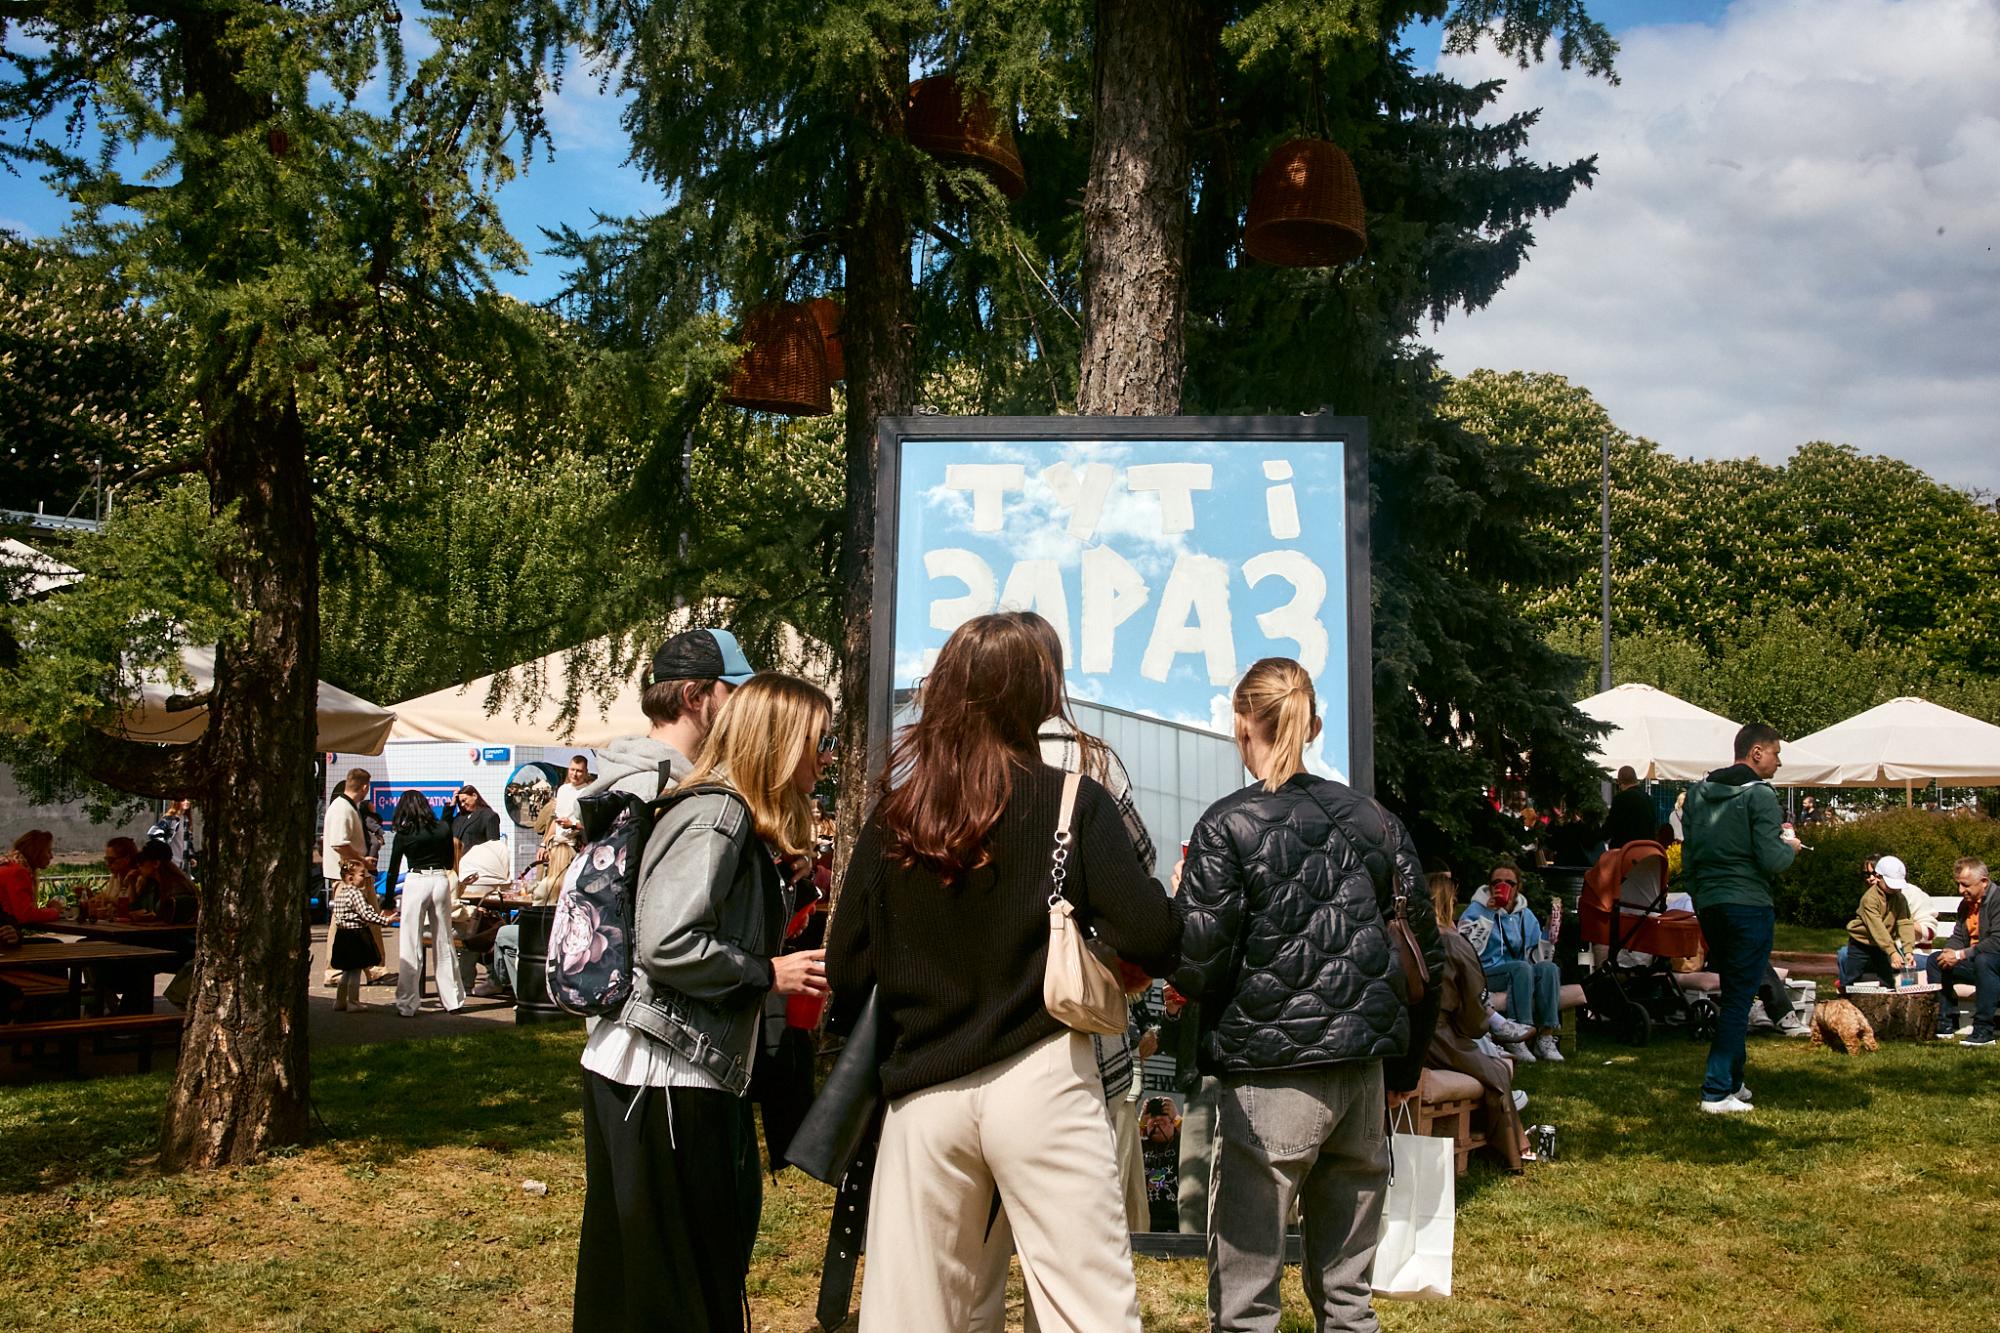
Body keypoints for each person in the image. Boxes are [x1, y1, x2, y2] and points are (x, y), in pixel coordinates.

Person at [825, 614, 1180, 1333]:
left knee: (920, 1317)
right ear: (1041, 695)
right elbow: (1153, 934)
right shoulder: (1073, 802)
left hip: (923, 1091)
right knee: (1088, 1314)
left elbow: (846, 965)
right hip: (1042, 1074)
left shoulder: (897, 815)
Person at [1173, 656, 1443, 1333]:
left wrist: (1182, 904)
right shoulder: (1376, 820)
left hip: (1268, 1080)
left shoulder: (1226, 824)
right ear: (1313, 725)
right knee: (1349, 1300)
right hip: (1362, 1073)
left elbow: (1196, 968)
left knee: (1246, 1304)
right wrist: (1403, 1072)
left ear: (1242, 724)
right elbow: (1424, 955)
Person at [572, 672, 833, 1333]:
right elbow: (669, 942)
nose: (827, 758)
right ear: (779, 742)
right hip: (665, 1074)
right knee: (674, 1289)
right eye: (819, 741)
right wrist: (767, 973)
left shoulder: (723, 812)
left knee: (642, 1283)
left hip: (658, 1068)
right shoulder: (719, 813)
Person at [970, 610, 1162, 1331]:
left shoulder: (952, 766)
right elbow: (1137, 886)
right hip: (1068, 1030)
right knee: (1071, 1262)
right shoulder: (1093, 764)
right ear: (1051, 679)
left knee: (968, 1268)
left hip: (959, 1035)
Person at [482, 628, 757, 1000]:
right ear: (694, 696)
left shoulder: (627, 778)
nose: (742, 710)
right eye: (733, 693)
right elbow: (665, 935)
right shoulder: (658, 791)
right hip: (652, 1014)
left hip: (628, 1008)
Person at [1682, 722, 1801, 1115]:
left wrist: (1701, 897)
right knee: (1738, 1000)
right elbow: (1771, 859)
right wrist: (1791, 849)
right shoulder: (1760, 795)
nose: (1779, 762)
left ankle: (1734, 1082)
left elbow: (1690, 856)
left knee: (1734, 991)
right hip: (1748, 905)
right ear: (1756, 752)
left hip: (1711, 904)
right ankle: (1716, 1091)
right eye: (1776, 753)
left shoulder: (1697, 793)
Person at [1428, 867, 1527, 1172]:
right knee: (1496, 1072)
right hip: (1437, 1035)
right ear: (1448, 903)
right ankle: (1510, 1153)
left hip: (1405, 1032)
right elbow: (1474, 1005)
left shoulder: (1399, 935)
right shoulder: (1452, 941)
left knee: (1488, 1059)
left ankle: (1516, 1141)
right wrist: (1475, 1028)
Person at [1458, 862, 1565, 1063]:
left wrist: (1547, 934)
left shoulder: (1525, 915)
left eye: (1509, 883)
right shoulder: (1476, 909)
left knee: (1549, 968)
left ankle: (1546, 1036)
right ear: (1489, 886)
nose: (1502, 886)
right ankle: (1518, 1036)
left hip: (1520, 973)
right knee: (1520, 968)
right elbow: (1467, 950)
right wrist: (1488, 913)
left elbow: (1535, 958)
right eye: (1496, 882)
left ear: (1518, 887)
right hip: (1484, 974)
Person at [382, 790, 464, 1017]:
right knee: (444, 941)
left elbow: (392, 870)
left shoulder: (404, 833)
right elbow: (448, 861)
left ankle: (407, 1003)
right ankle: (453, 1000)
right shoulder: (442, 828)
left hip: (416, 880)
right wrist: (449, 810)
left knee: (411, 942)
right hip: (439, 879)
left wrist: (388, 901)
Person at [321, 770, 375, 987]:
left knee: (368, 921)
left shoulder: (347, 806)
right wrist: (363, 860)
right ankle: (334, 971)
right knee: (342, 923)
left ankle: (374, 967)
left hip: (355, 874)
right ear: (365, 787)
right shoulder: (342, 809)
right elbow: (339, 843)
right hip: (347, 876)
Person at [1936, 857, 1998, 1045]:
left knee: (1984, 960)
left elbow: (1997, 941)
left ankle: (1983, 1030)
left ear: (1984, 882)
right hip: (1976, 961)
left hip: (1994, 962)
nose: (1960, 890)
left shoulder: (1998, 901)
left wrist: (1960, 955)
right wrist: (1949, 951)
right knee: (1936, 961)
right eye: (1958, 884)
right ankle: (1944, 1024)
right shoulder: (1965, 905)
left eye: (1965, 885)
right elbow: (1958, 936)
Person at [1840, 856, 1924, 992]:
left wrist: (1908, 950)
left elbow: (1905, 922)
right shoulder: (1869, 899)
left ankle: (1886, 1000)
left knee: (1886, 978)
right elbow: (1877, 927)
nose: (1894, 889)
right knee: (1852, 977)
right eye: (1891, 885)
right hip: (1862, 942)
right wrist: (1893, 952)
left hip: (1881, 946)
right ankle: (1844, 999)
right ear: (1879, 877)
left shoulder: (1900, 899)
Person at [329, 859, 398, 1012]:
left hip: (342, 935)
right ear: (350, 878)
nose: (364, 878)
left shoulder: (341, 894)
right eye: (361, 875)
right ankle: (353, 1002)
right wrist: (385, 920)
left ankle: (340, 1001)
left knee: (346, 971)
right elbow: (366, 914)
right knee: (355, 970)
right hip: (356, 936)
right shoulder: (356, 894)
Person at [0, 830, 60, 926]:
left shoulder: (9, 865)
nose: (51, 856)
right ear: (36, 852)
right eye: (48, 851)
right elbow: (25, 915)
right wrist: (54, 911)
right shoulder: (18, 872)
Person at [1140, 1096, 1182, 1232]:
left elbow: (1198, 1143)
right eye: (1153, 1116)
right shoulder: (1139, 1146)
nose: (1158, 1119)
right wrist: (1141, 1122)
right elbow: (1124, 1146)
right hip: (1146, 1223)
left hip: (1177, 1222)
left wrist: (1176, 1117)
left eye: (1164, 1116)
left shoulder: (1182, 1144)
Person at [130, 841, 199, 922]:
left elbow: (172, 917)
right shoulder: (152, 884)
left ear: (156, 863)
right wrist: (132, 883)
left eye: (141, 861)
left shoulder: (177, 887)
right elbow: (136, 908)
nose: (138, 865)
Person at [1603, 766, 1657, 850]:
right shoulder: (1648, 799)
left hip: (1626, 851)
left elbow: (1609, 828)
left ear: (1620, 782)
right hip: (1648, 850)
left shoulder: (1620, 799)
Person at [450, 785, 501, 852]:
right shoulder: (460, 817)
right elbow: (444, 827)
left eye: (464, 800)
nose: (462, 804)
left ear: (474, 796)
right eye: (460, 802)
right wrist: (452, 805)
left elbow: (494, 847)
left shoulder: (489, 816)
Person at [145, 797, 192, 870]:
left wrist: (191, 857)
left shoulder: (186, 820)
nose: (187, 802)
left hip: (182, 864)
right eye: (183, 800)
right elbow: (153, 832)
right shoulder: (171, 819)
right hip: (171, 862)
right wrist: (164, 848)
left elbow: (187, 841)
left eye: (188, 799)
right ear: (177, 802)